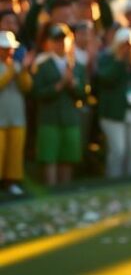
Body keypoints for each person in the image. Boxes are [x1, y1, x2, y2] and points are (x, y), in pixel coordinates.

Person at [30, 23, 87, 186]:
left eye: (63, 39)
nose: (60, 43)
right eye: (56, 40)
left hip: (70, 118)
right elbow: (37, 93)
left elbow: (84, 92)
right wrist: (60, 85)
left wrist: (73, 85)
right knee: (50, 158)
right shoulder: (41, 66)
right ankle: (51, 189)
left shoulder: (78, 66)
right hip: (49, 119)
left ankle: (65, 190)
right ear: (50, 42)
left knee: (68, 158)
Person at [96, 27, 131, 178]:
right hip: (113, 113)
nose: (128, 49)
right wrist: (119, 61)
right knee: (118, 150)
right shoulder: (106, 58)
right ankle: (114, 181)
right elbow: (105, 79)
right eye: (124, 45)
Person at [0, 31, 33, 195]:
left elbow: (27, 87)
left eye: (10, 48)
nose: (8, 51)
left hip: (17, 117)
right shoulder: (10, 68)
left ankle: (12, 182)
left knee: (14, 153)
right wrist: (9, 73)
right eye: (5, 48)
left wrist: (23, 72)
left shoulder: (17, 66)